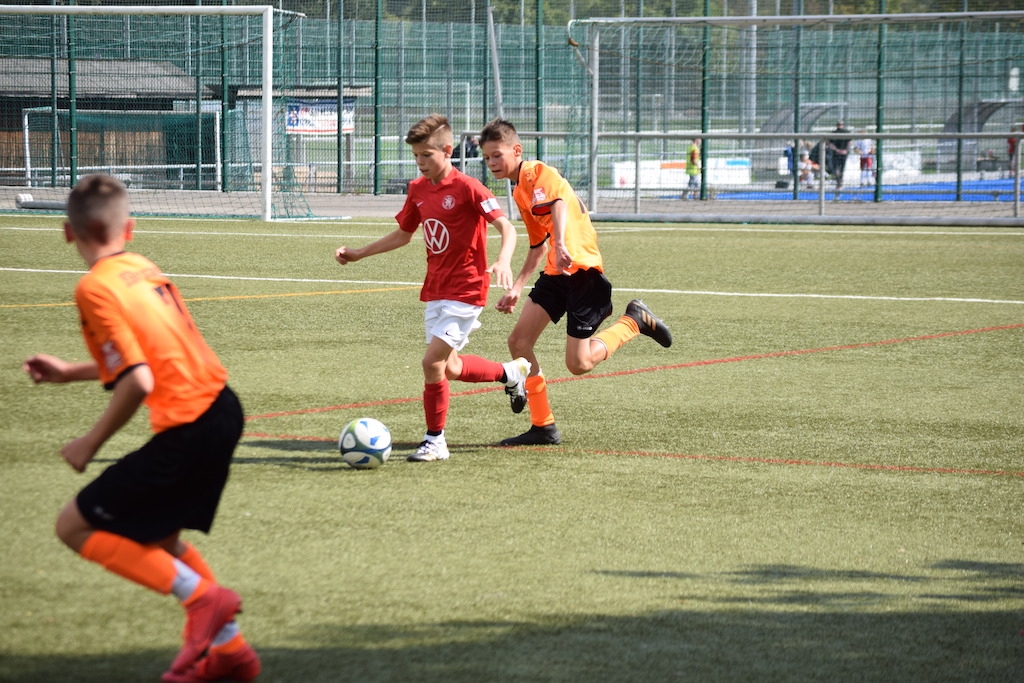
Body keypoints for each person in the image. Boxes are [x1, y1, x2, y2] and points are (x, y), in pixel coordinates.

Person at [22, 174, 259, 683]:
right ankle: (231, 653)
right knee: (160, 540)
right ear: (129, 229)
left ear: (67, 232)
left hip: (190, 424)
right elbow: (149, 356)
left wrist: (90, 442)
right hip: (222, 408)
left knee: (73, 526)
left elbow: (138, 379)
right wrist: (69, 372)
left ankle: (203, 601)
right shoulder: (141, 266)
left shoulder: (94, 286)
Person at [334, 114, 527, 462]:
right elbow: (403, 234)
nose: (421, 162)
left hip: (467, 290)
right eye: (416, 156)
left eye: (427, 155)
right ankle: (510, 373)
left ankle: (435, 440)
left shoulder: (469, 187)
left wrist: (503, 260)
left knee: (430, 362)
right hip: (436, 289)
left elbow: (506, 227)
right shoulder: (418, 189)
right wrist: (359, 253)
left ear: (447, 151)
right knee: (450, 367)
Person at [478, 118, 673, 447]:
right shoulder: (519, 191)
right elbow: (538, 246)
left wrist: (563, 244)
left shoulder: (536, 172)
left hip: (582, 270)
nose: (492, 162)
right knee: (519, 342)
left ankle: (634, 321)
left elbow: (558, 204)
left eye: (497, 155)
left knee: (578, 364)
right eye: (486, 158)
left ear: (517, 150)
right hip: (557, 272)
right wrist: (517, 287)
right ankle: (543, 426)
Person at [826, 120, 850, 190]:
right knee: (837, 169)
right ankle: (839, 182)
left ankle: (839, 182)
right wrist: (839, 150)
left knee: (839, 169)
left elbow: (850, 142)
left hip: (840, 153)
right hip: (838, 153)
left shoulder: (845, 133)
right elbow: (829, 143)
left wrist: (843, 150)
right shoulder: (835, 133)